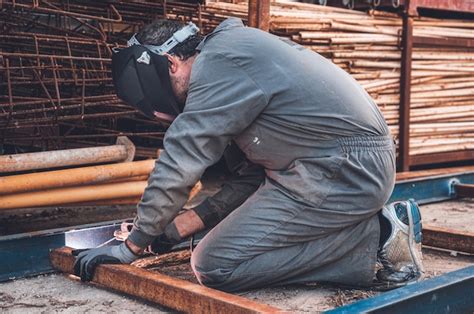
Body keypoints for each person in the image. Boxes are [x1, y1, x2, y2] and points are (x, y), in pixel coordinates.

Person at [74, 18, 423, 292]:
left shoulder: (217, 68)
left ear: (170, 64)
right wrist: (176, 228)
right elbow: (251, 177)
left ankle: (376, 235)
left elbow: (180, 159)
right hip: (330, 165)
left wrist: (132, 246)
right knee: (219, 244)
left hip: (343, 170)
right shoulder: (231, 56)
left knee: (214, 266)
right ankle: (369, 229)